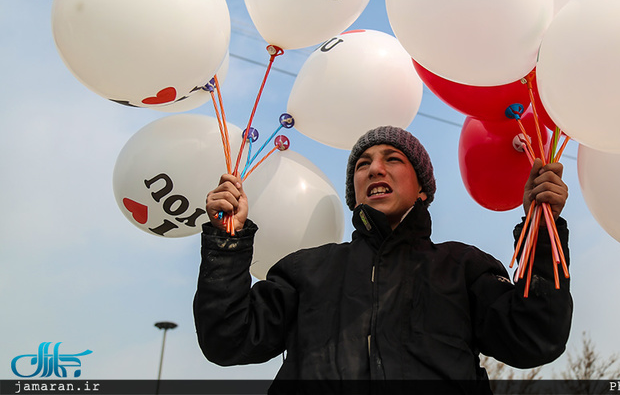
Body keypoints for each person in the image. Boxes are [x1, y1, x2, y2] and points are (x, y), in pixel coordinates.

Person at [194, 126, 572, 393]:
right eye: (363, 164)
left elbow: (534, 338)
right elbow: (227, 339)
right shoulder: (305, 271)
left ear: (422, 189)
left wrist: (543, 228)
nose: (375, 168)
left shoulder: (463, 267)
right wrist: (228, 239)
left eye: (393, 159)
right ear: (355, 193)